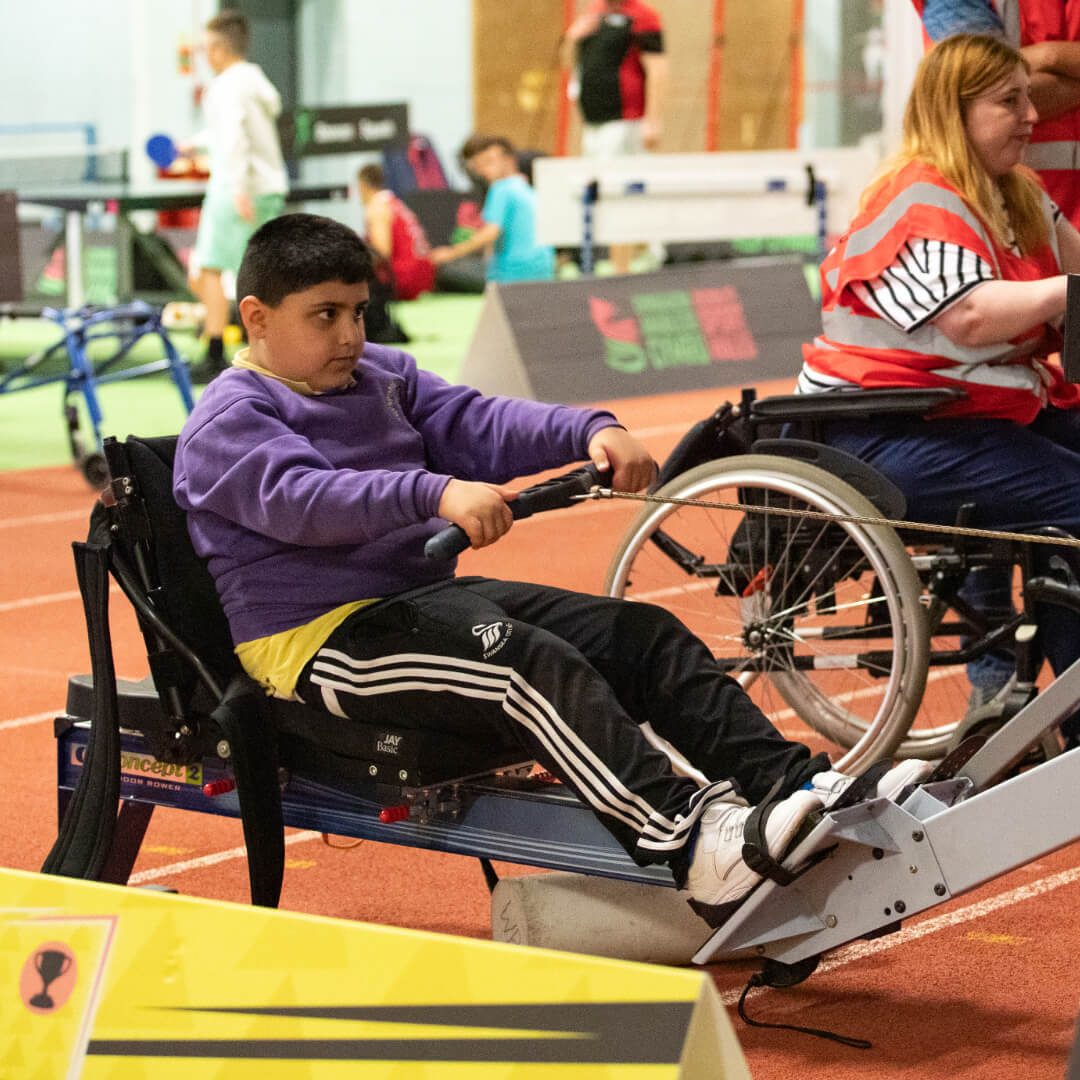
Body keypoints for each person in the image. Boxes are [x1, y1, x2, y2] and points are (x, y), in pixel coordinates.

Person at [172, 212, 931, 925]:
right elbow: (306, 500)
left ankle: (794, 788)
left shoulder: (382, 376)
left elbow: (477, 421)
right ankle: (693, 847)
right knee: (520, 667)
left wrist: (592, 429)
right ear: (257, 317)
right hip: (316, 644)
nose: (349, 335)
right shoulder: (229, 418)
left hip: (415, 603)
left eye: (359, 312)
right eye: (325, 315)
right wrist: (432, 491)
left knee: (642, 635)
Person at [796, 33, 1080, 730]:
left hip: (974, 412)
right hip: (884, 431)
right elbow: (972, 317)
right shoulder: (917, 196)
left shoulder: (1016, 192)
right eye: (1008, 101)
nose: (1030, 116)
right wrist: (1064, 292)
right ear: (955, 112)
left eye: (1026, 97)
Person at [181, 10, 288, 382]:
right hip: (268, 188)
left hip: (235, 188)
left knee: (207, 269)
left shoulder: (225, 86)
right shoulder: (254, 80)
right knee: (261, 272)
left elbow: (235, 140)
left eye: (206, 48)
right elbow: (230, 133)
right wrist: (192, 146)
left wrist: (239, 189)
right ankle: (266, 351)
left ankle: (213, 350)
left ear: (217, 48)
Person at [915, 0, 1080, 228]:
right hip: (1005, 214)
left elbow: (1001, 88)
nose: (1028, 113)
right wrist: (1052, 55)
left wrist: (1045, 57)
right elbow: (979, 92)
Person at [561, 0, 668, 274]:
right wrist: (573, 37)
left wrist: (653, 120)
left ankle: (626, 266)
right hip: (593, 121)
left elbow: (657, 69)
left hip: (625, 119)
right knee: (601, 192)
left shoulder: (643, 16)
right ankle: (630, 256)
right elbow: (567, 64)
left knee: (620, 189)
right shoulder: (592, 13)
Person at [429, 135, 555, 285]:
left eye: (489, 161)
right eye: (479, 164)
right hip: (544, 268)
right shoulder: (529, 190)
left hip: (512, 272)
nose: (483, 169)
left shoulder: (500, 188)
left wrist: (451, 253)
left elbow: (490, 233)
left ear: (509, 160)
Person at [356, 163, 437, 301]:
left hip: (403, 280)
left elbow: (382, 251)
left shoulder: (377, 208)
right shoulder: (396, 203)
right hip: (423, 276)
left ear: (362, 185)